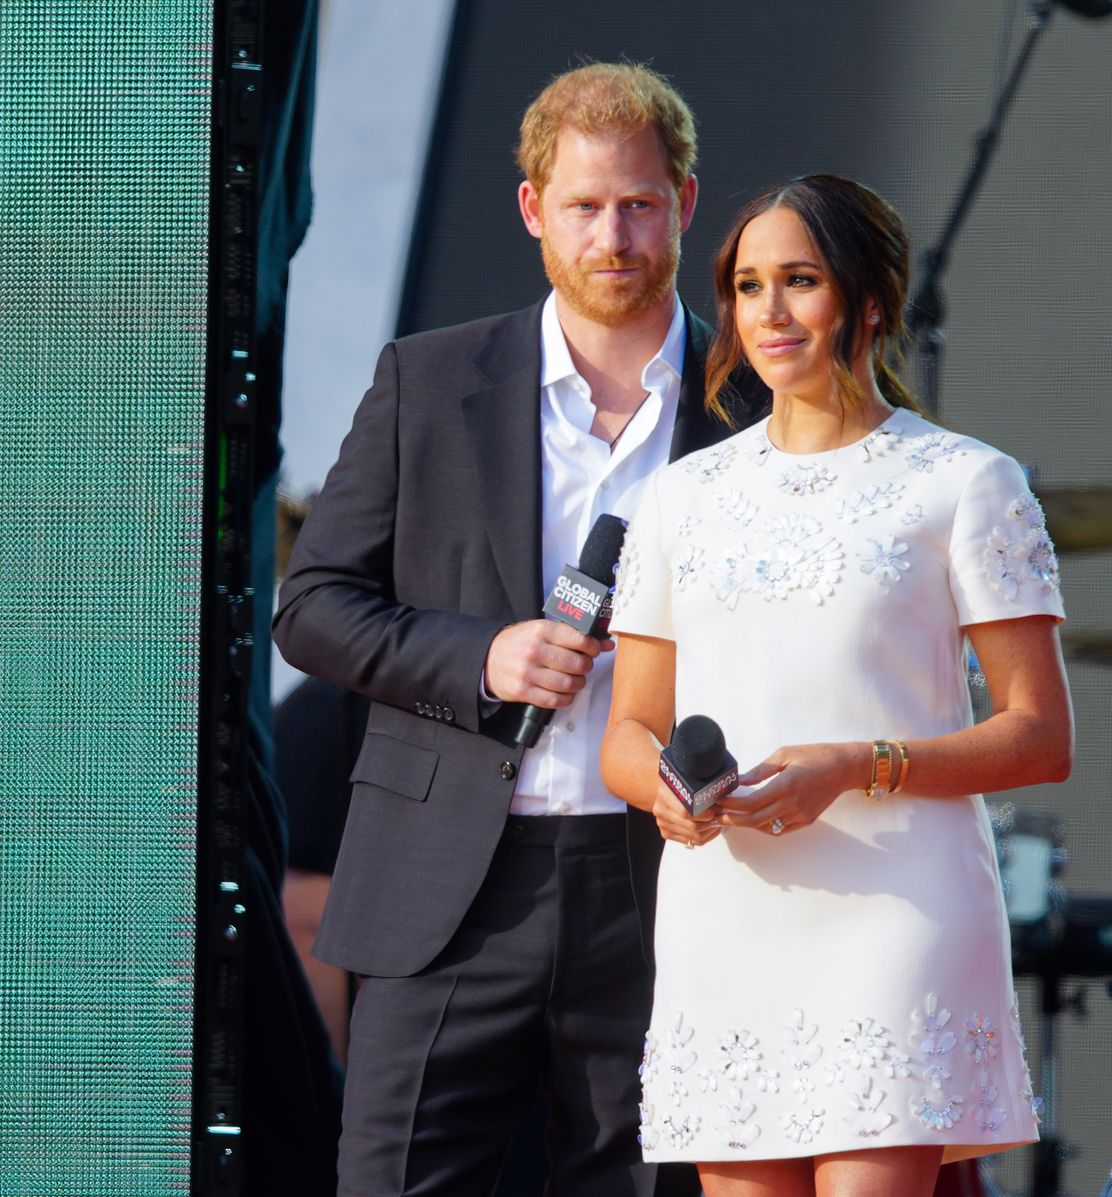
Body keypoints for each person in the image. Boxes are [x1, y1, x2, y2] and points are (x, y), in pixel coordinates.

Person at [272, 63, 764, 1197]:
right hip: (446, 887)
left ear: (685, 205)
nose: (614, 235)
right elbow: (313, 606)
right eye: (585, 206)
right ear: (534, 210)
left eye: (640, 204)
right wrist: (478, 657)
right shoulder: (428, 380)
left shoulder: (749, 407)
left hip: (667, 881)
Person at [600, 174, 1074, 1197]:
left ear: (864, 300)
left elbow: (1038, 737)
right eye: (746, 285)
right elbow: (626, 731)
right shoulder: (681, 499)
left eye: (798, 281)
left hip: (897, 912)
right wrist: (666, 797)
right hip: (725, 915)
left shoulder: (962, 481)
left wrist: (857, 763)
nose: (766, 312)